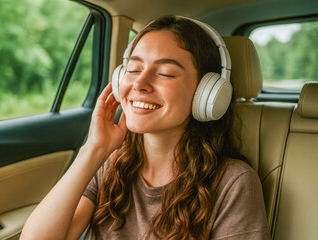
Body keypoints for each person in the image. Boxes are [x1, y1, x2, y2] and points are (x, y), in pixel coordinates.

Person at [20, 15, 271, 240]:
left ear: (207, 94)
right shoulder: (109, 163)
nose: (140, 83)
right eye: (133, 69)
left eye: (165, 73)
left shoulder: (232, 182)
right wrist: (93, 149)